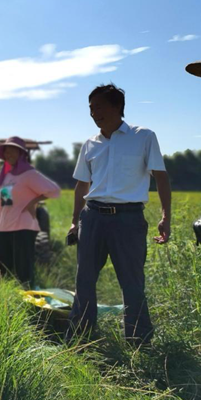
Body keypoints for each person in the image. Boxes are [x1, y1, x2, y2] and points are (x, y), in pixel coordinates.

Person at [66, 83, 171, 346]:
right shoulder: (90, 144)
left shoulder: (144, 136)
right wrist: (74, 221)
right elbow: (82, 184)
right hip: (93, 218)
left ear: (117, 107)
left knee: (132, 282)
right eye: (90, 108)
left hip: (129, 219)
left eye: (99, 106)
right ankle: (81, 339)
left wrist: (165, 216)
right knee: (84, 281)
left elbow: (160, 176)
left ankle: (139, 342)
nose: (94, 113)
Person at [0, 137, 61, 288]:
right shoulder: (6, 177)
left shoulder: (29, 174)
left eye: (12, 151)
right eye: (6, 152)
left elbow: (54, 191)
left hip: (23, 227)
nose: (8, 154)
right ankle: (4, 300)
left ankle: (29, 300)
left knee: (24, 271)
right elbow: (0, 205)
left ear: (21, 154)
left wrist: (33, 202)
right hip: (4, 229)